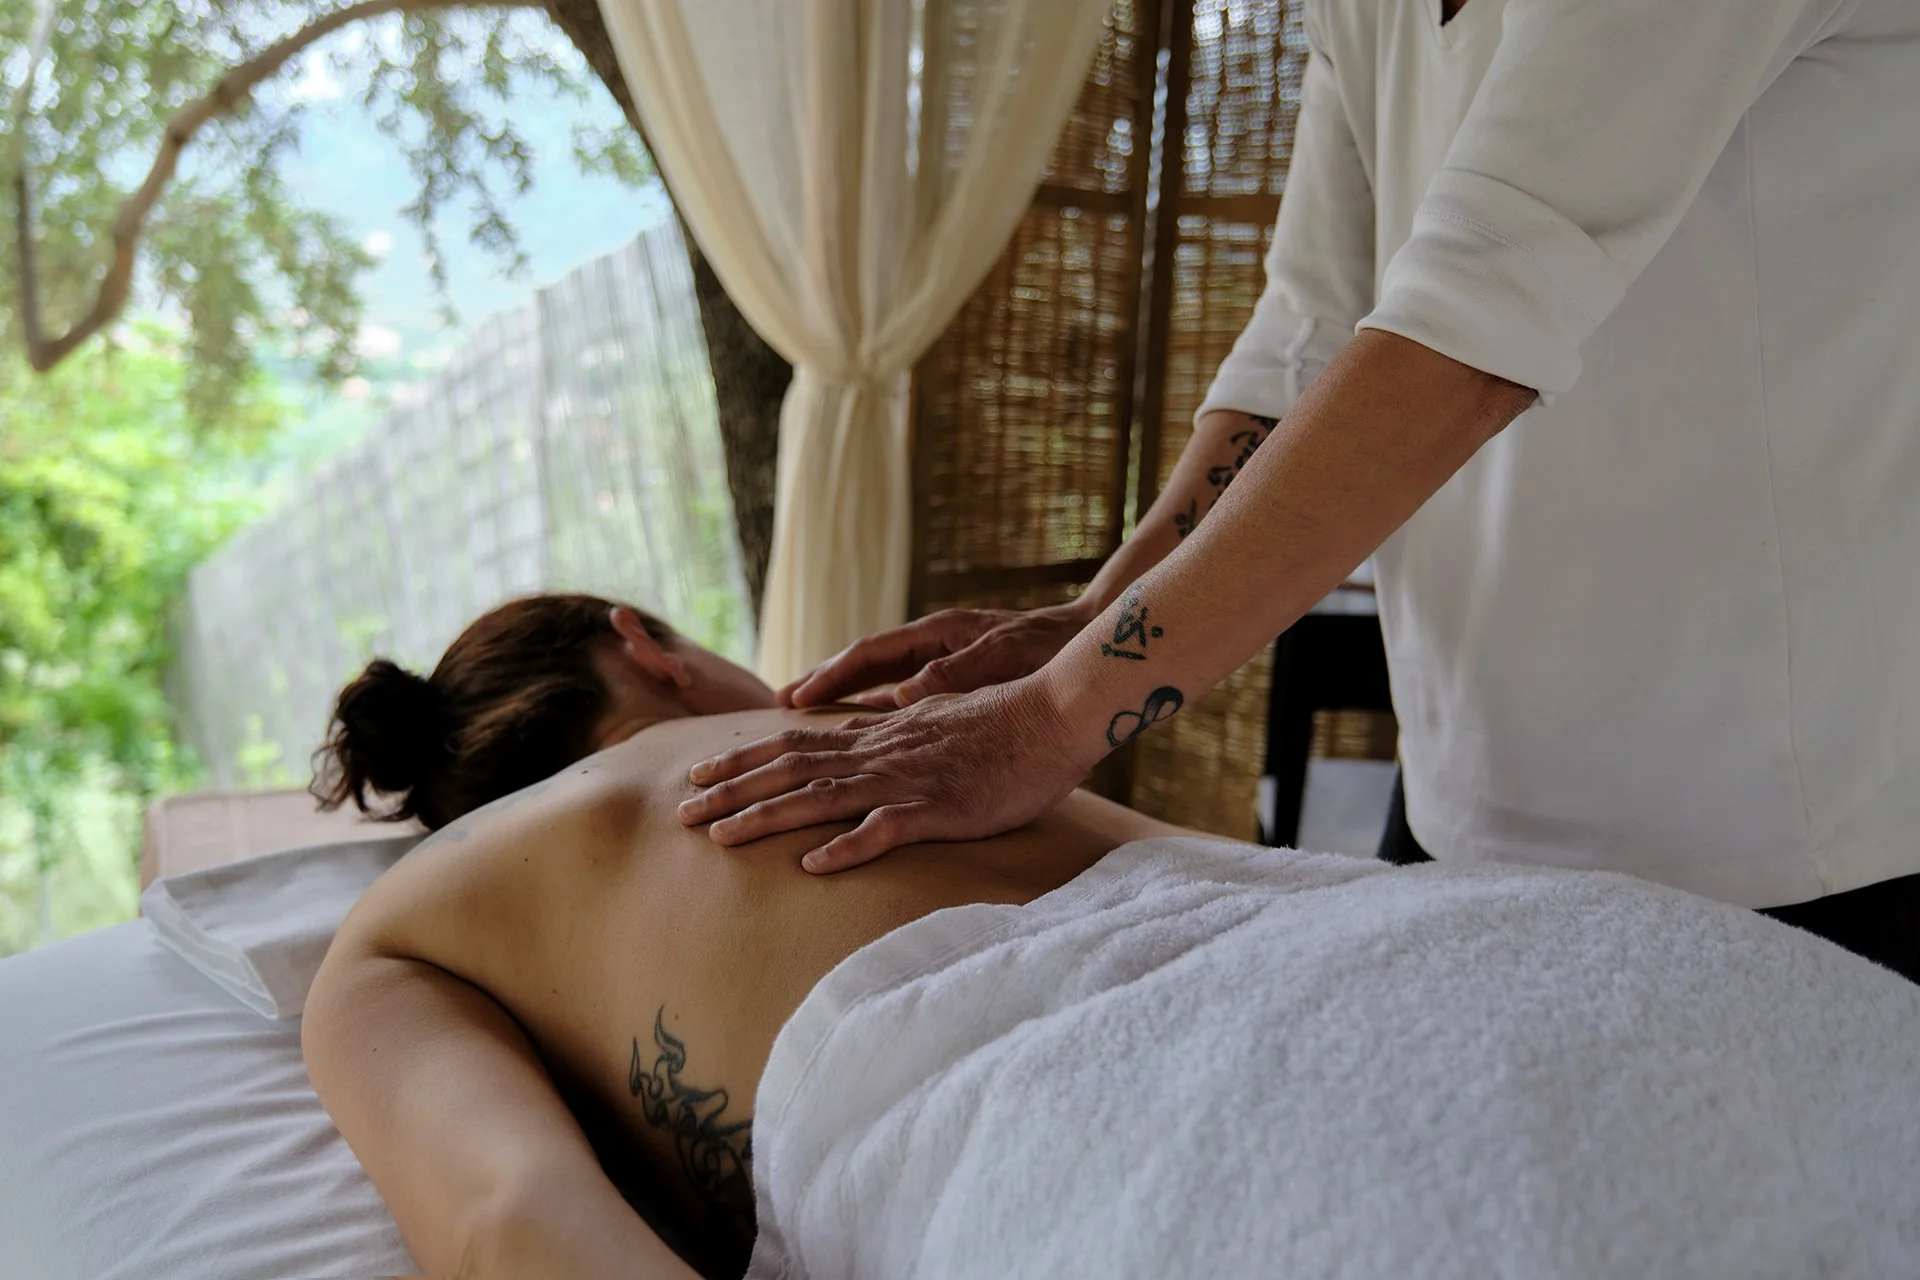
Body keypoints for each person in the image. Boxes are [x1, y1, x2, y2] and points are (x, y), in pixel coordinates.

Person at [675, 0, 1920, 981]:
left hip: (1786, 835)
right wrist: (1097, 613)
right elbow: (1307, 327)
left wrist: (1054, 719)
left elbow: (1472, 319)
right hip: (1463, 798)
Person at [304, 592, 1920, 1279]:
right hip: (1564, 965)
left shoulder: (398, 934)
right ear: (647, 644)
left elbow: (516, 1228)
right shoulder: (917, 751)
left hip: (1158, 1134)